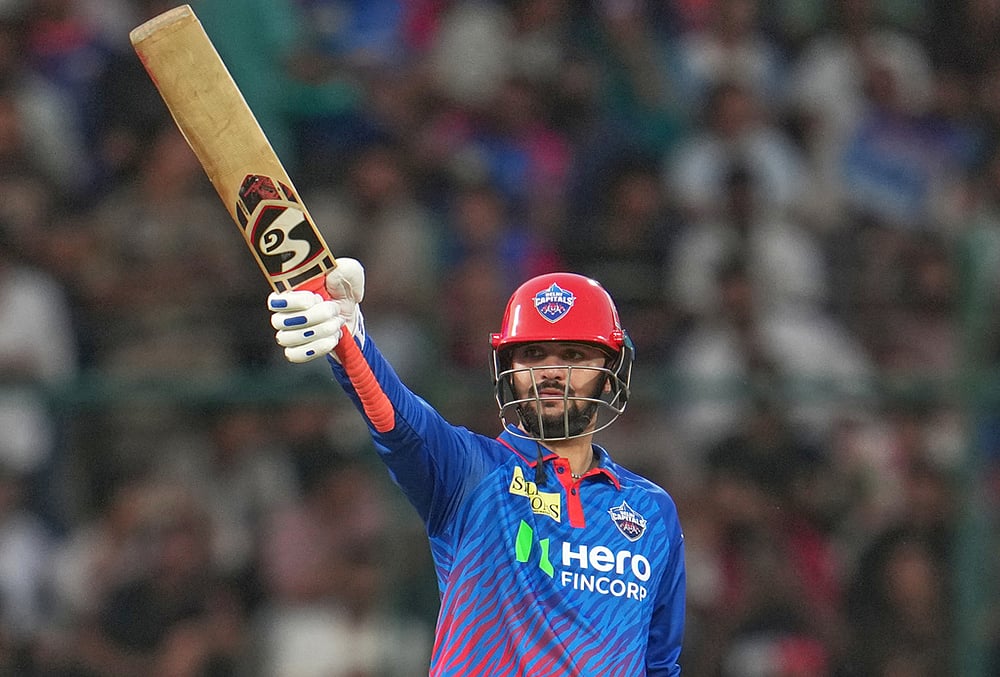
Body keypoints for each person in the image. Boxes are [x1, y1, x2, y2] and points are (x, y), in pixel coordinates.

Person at [266, 258, 686, 676]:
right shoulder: (473, 475)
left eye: (574, 354)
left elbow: (661, 665)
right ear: (507, 371)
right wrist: (350, 339)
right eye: (533, 355)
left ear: (611, 376)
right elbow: (400, 421)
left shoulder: (653, 512)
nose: (551, 373)